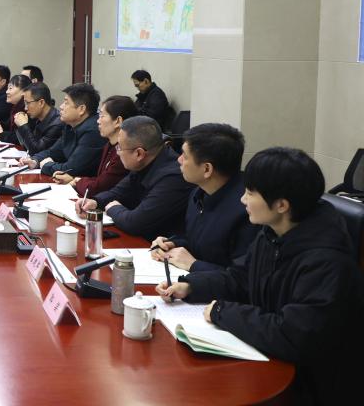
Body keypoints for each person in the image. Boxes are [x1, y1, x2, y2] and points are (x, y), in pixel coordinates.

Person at [157, 148, 364, 405]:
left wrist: (222, 311)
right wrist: (191, 286)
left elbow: (293, 335)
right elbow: (241, 278)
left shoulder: (326, 262)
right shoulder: (273, 233)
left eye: (250, 193)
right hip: (268, 360)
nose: (242, 200)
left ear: (281, 205)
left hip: (309, 386)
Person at [149, 123, 258, 272]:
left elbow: (243, 277)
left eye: (185, 156)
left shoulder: (247, 210)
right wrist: (172, 243)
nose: (179, 160)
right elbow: (198, 242)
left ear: (207, 169)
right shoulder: (199, 192)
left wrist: (193, 264)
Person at [76, 116, 193, 241]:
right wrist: (95, 202)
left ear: (139, 153)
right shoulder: (146, 161)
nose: (117, 152)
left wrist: (114, 208)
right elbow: (118, 192)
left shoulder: (173, 177)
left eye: (120, 147)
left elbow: (135, 223)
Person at [54, 95, 136, 197]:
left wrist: (77, 181)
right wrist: (74, 179)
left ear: (118, 121)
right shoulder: (109, 145)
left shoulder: (124, 152)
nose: (98, 121)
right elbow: (101, 179)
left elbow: (98, 188)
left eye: (102, 116)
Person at [24, 83, 105, 177]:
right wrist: (34, 160)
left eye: (66, 103)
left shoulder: (93, 132)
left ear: (81, 109)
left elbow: (72, 169)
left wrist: (47, 165)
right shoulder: (70, 126)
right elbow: (53, 152)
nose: (61, 107)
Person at [0, 80, 63, 154]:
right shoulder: (37, 116)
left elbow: (35, 150)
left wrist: (23, 125)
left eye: (27, 103)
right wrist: (21, 125)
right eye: (24, 103)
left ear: (41, 103)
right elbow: (24, 144)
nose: (25, 108)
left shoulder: (56, 124)